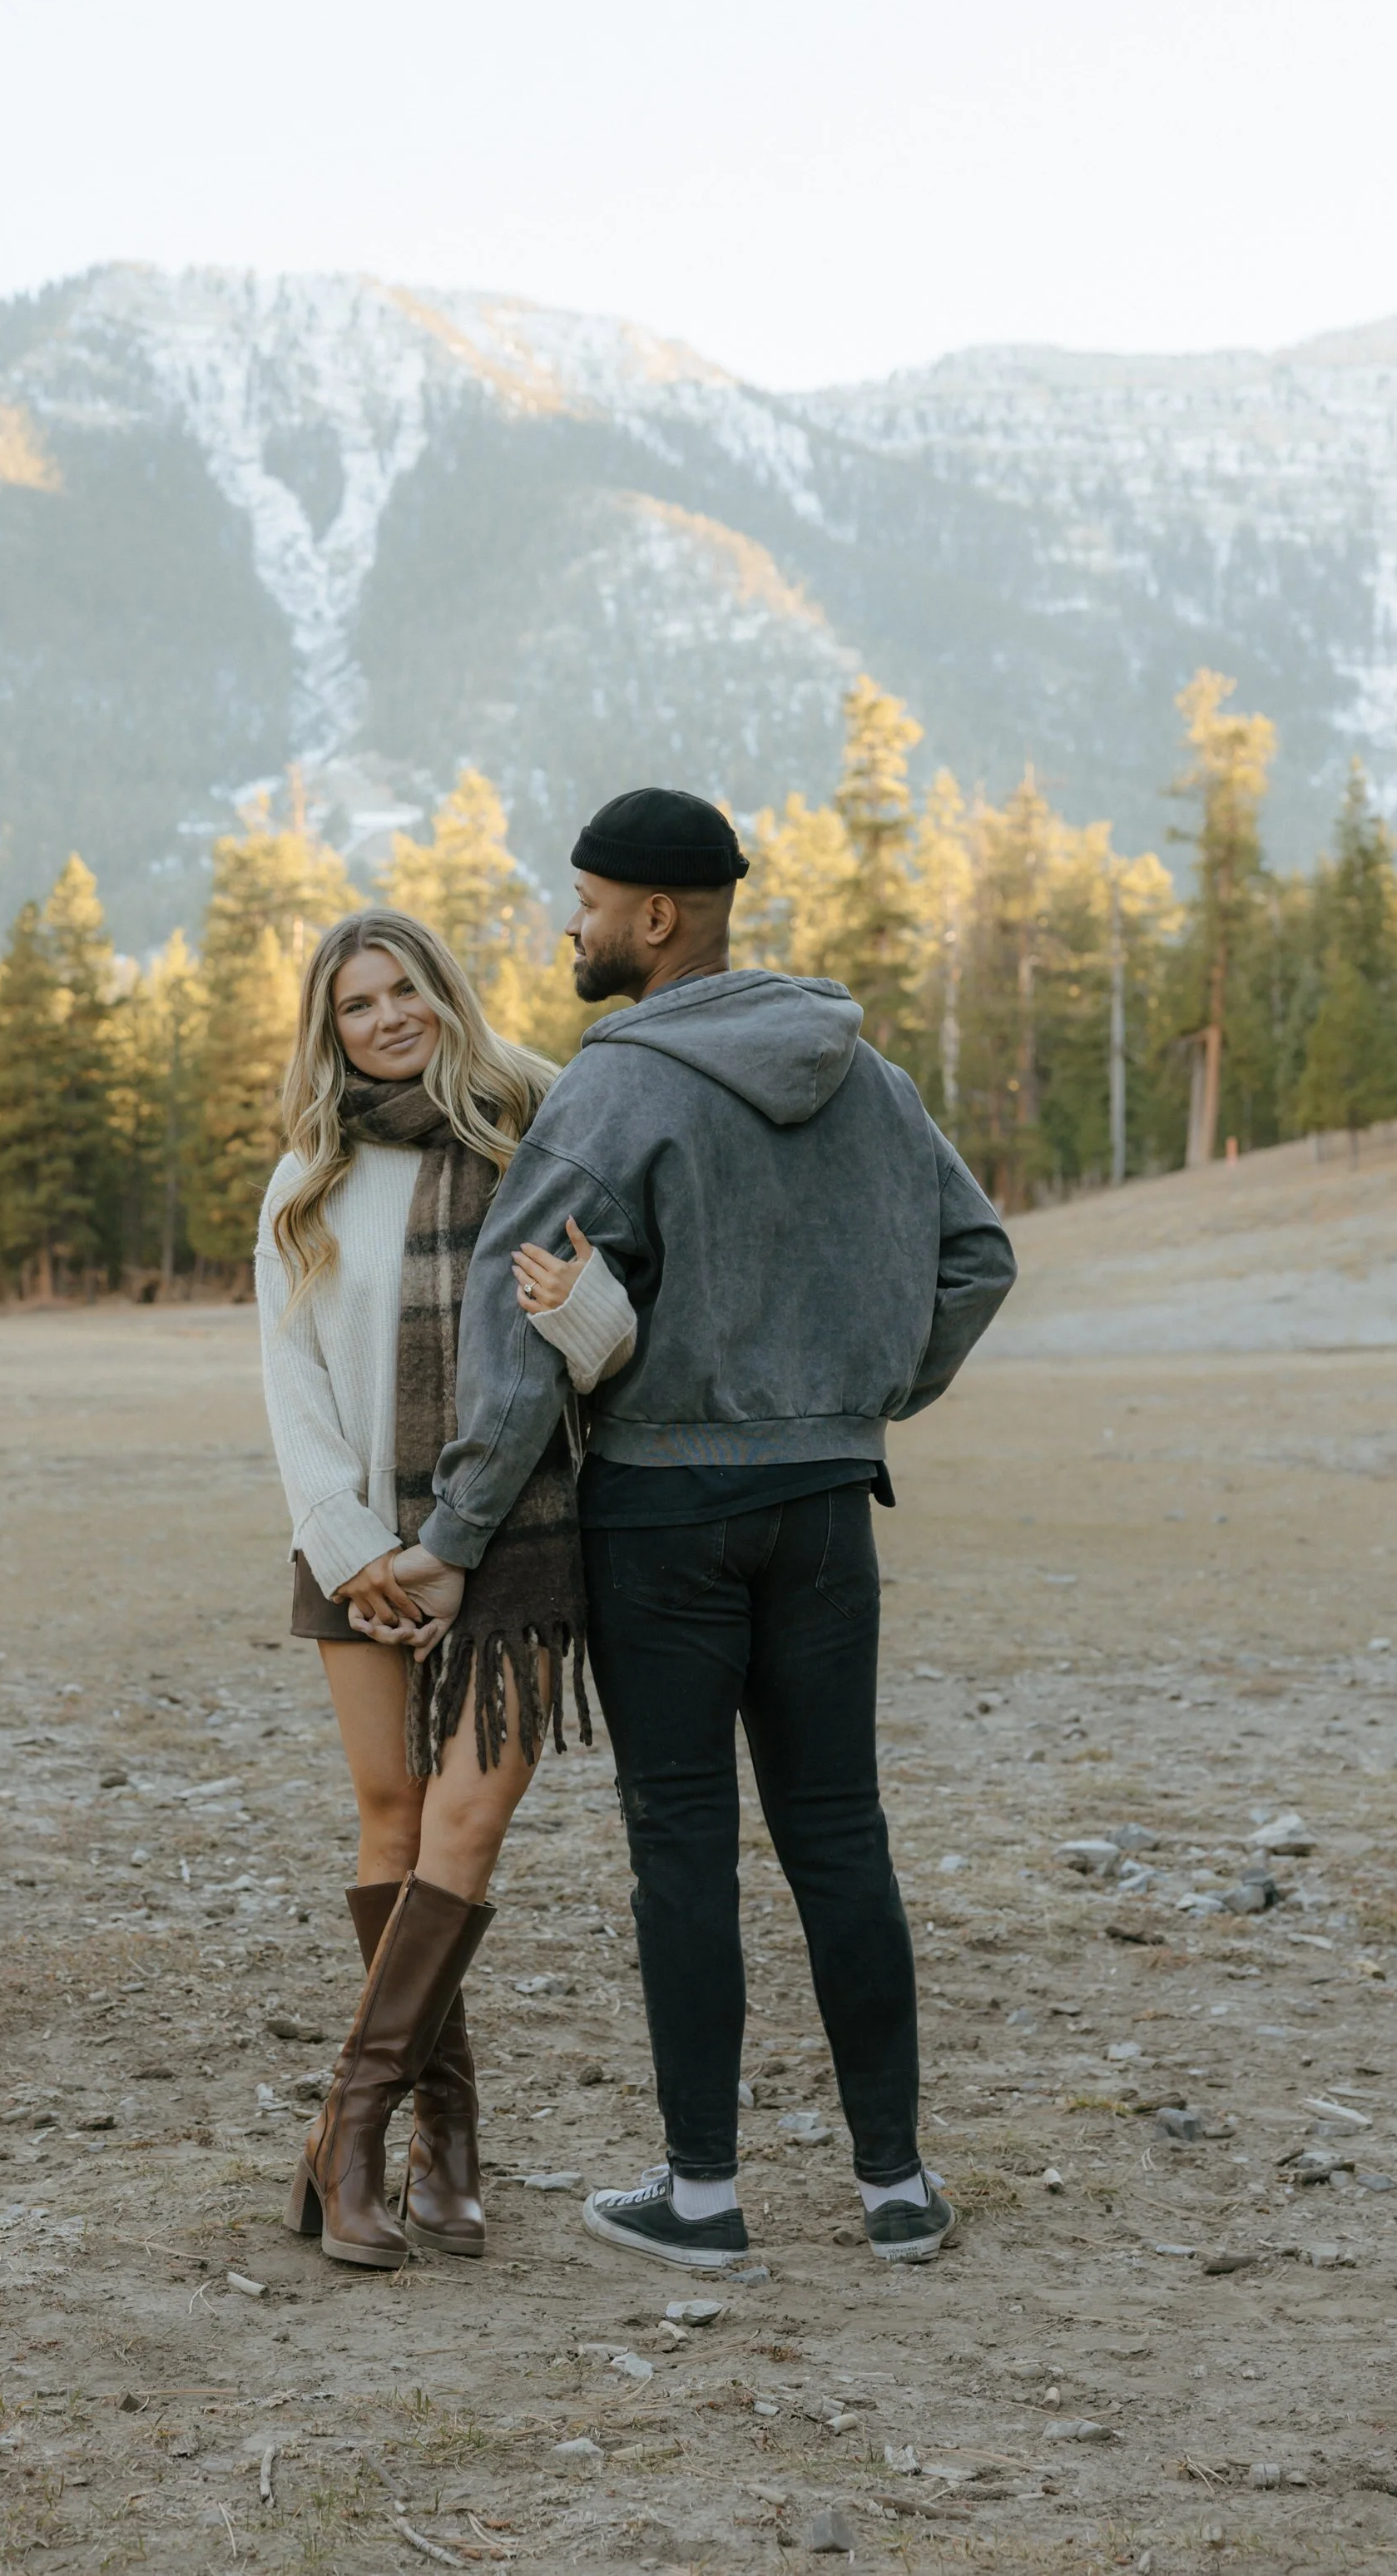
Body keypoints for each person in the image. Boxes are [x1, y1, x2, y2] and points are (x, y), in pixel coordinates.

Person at [416, 789, 1018, 2271]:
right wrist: (863, 1396)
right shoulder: (863, 1074)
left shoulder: (614, 1089)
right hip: (827, 1506)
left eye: (588, 900)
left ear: (658, 917)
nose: (571, 923)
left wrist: (454, 1528)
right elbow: (978, 1253)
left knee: (680, 1842)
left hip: (664, 1514)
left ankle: (701, 2196)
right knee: (839, 1833)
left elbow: (514, 1327)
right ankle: (897, 2188)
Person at [255, 908, 633, 2271]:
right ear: (332, 1026)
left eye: (407, 987)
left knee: (464, 1827)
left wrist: (587, 1305)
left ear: (445, 992)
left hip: (518, 1532)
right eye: (359, 1003)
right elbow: (288, 1373)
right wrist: (351, 1540)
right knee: (392, 1815)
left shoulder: (536, 1124)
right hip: (353, 1532)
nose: (390, 1017)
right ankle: (442, 2144)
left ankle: (344, 2137)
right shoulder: (312, 1169)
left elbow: (607, 1346)